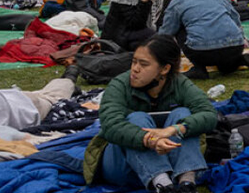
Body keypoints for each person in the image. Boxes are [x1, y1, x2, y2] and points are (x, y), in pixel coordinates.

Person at [81, 35, 216, 192]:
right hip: (124, 167)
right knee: (137, 118)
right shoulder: (120, 85)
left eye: (143, 64)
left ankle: (186, 183)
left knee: (182, 114)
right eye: (134, 62)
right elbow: (111, 125)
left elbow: (209, 114)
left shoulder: (179, 84)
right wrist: (150, 139)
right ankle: (163, 186)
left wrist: (174, 129)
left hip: (170, 160)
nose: (135, 69)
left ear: (164, 69)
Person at [0, 78, 76, 129]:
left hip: (31, 106)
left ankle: (69, 78)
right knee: (41, 93)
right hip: (12, 97)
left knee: (55, 97)